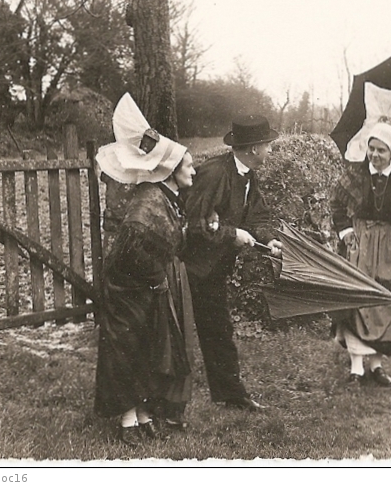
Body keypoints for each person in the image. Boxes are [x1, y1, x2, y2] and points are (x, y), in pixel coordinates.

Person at [93, 93, 197, 447]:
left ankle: (144, 414)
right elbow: (134, 247)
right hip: (126, 289)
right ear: (170, 172)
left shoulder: (165, 198)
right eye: (189, 167)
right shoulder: (149, 203)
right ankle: (126, 421)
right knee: (126, 351)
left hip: (146, 287)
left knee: (149, 349)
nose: (194, 171)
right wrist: (151, 283)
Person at [180, 115, 284, 412]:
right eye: (267, 145)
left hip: (213, 271)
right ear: (253, 148)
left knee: (219, 331)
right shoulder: (214, 174)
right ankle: (165, 405)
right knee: (178, 336)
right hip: (189, 270)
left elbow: (257, 216)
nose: (270, 151)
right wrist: (232, 234)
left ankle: (231, 395)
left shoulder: (248, 174)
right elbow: (193, 225)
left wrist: (267, 239)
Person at [330, 121, 391, 387]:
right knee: (358, 300)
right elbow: (337, 204)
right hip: (360, 242)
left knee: (386, 302)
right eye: (372, 149)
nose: (375, 155)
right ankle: (356, 368)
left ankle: (376, 365)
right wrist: (345, 232)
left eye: (382, 150)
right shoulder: (354, 175)